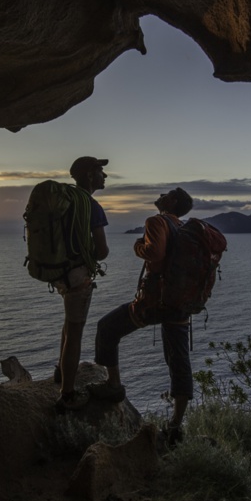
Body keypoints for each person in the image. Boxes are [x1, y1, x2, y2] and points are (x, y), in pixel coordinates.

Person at [88, 187, 194, 446]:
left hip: (155, 302)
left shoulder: (157, 221)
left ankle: (113, 385)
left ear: (173, 201)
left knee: (107, 328)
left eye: (168, 193)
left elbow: (154, 254)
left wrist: (138, 245)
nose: (162, 193)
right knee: (179, 359)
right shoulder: (183, 227)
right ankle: (176, 425)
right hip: (180, 303)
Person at [52, 156, 110, 413]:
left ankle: (59, 370)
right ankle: (66, 394)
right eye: (100, 171)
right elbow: (103, 250)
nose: (104, 176)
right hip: (77, 276)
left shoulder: (63, 200)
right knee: (75, 332)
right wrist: (86, 260)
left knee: (68, 322)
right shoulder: (92, 206)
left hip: (59, 273)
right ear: (89, 175)